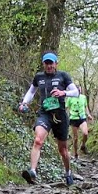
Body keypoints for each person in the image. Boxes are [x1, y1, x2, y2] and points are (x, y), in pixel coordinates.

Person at [18, 52, 79, 186]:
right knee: (38, 140)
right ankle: (33, 171)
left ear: (56, 64)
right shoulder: (39, 77)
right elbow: (31, 91)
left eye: (51, 63)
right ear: (43, 64)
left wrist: (64, 93)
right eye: (47, 63)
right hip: (45, 113)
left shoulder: (63, 76)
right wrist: (24, 102)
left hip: (60, 116)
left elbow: (76, 92)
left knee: (63, 150)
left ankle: (68, 172)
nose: (49, 66)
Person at [68, 84, 92, 160]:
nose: (79, 91)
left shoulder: (83, 97)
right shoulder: (70, 98)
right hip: (73, 119)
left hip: (82, 118)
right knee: (75, 138)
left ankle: (83, 146)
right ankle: (76, 154)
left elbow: (86, 107)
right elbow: (66, 108)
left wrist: (88, 114)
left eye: (80, 89)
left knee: (85, 133)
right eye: (77, 90)